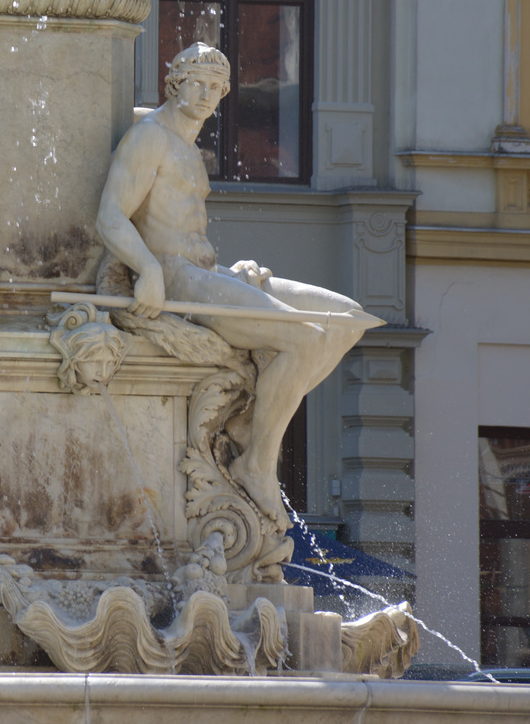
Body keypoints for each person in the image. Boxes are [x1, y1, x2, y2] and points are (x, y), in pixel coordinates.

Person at [95, 42, 375, 526]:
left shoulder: (186, 140)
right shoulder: (151, 138)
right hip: (178, 276)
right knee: (304, 340)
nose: (206, 95)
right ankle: (257, 465)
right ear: (174, 83)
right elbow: (110, 216)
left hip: (210, 270)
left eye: (216, 88)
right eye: (196, 83)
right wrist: (148, 269)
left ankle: (252, 420)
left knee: (349, 319)